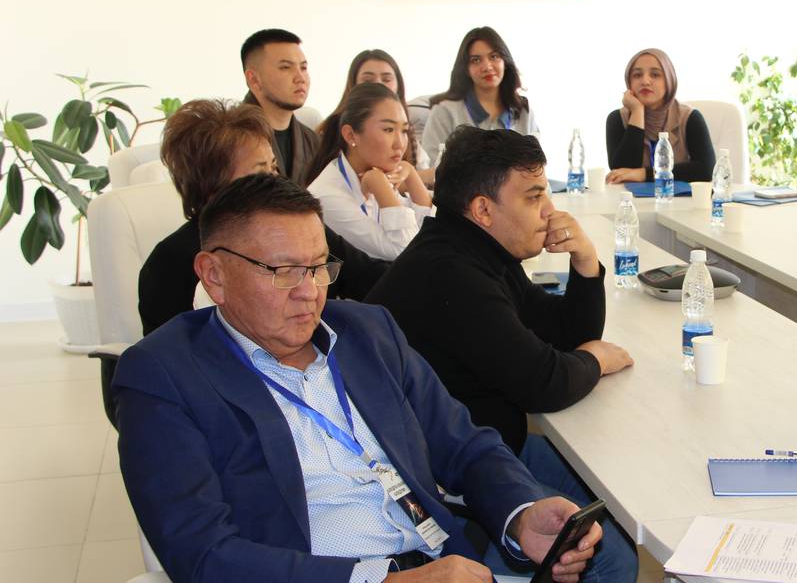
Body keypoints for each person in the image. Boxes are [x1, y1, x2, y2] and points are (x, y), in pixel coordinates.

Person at [118, 173, 603, 583]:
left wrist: (521, 514)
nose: (309, 292)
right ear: (214, 275)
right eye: (284, 271)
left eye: (318, 267)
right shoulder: (162, 375)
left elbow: (464, 445)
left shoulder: (367, 331)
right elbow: (203, 556)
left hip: (440, 561)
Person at [366, 127, 639, 581]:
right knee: (611, 556)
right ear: (483, 209)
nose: (550, 210)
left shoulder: (478, 251)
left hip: (492, 444)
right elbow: (543, 383)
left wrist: (585, 263)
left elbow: (563, 334)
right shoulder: (451, 272)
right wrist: (597, 360)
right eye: (534, 197)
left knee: (618, 486)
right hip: (446, 472)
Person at [139, 99, 388, 335]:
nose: (276, 181)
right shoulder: (169, 264)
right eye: (261, 173)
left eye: (274, 167)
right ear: (213, 184)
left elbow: (369, 277)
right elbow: (171, 355)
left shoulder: (300, 230)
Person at [306, 83, 433, 260]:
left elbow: (432, 233)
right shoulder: (327, 197)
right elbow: (406, 254)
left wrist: (411, 175)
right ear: (351, 135)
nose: (400, 144)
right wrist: (381, 188)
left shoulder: (374, 172)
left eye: (404, 130)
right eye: (388, 129)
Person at [420, 27, 538, 171]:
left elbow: (535, 168)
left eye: (494, 56)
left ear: (505, 61)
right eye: (476, 60)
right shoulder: (444, 112)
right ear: (466, 68)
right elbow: (432, 170)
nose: (487, 67)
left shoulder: (523, 111)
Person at [605, 48, 715, 183]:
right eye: (637, 75)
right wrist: (637, 111)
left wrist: (644, 174)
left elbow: (706, 170)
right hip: (629, 197)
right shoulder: (617, 119)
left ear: (669, 80)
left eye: (655, 75)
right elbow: (620, 172)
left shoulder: (690, 118)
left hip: (679, 197)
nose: (645, 81)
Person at [324, 49, 434, 176]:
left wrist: (409, 172)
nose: (378, 85)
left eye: (386, 79)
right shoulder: (334, 128)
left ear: (399, 87)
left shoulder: (408, 133)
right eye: (368, 80)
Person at [240, 28, 319, 185]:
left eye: (303, 68)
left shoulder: (312, 141)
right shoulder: (229, 138)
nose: (300, 78)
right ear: (254, 79)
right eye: (285, 67)